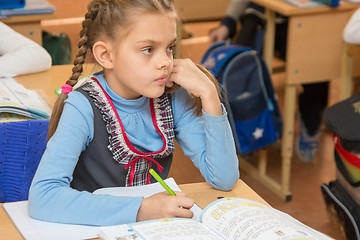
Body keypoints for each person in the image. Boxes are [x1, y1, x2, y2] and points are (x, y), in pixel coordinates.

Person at [28, 0, 239, 226]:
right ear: (106, 55)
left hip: (152, 229)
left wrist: (210, 95)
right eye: (148, 49)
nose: (165, 62)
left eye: (169, 48)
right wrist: (143, 209)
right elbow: (43, 198)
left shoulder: (173, 96)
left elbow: (224, 179)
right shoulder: (83, 107)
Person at [209, 0, 326, 163]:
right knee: (241, 67)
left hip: (301, 20)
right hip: (259, 19)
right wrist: (227, 24)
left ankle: (311, 121)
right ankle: (240, 130)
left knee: (316, 58)